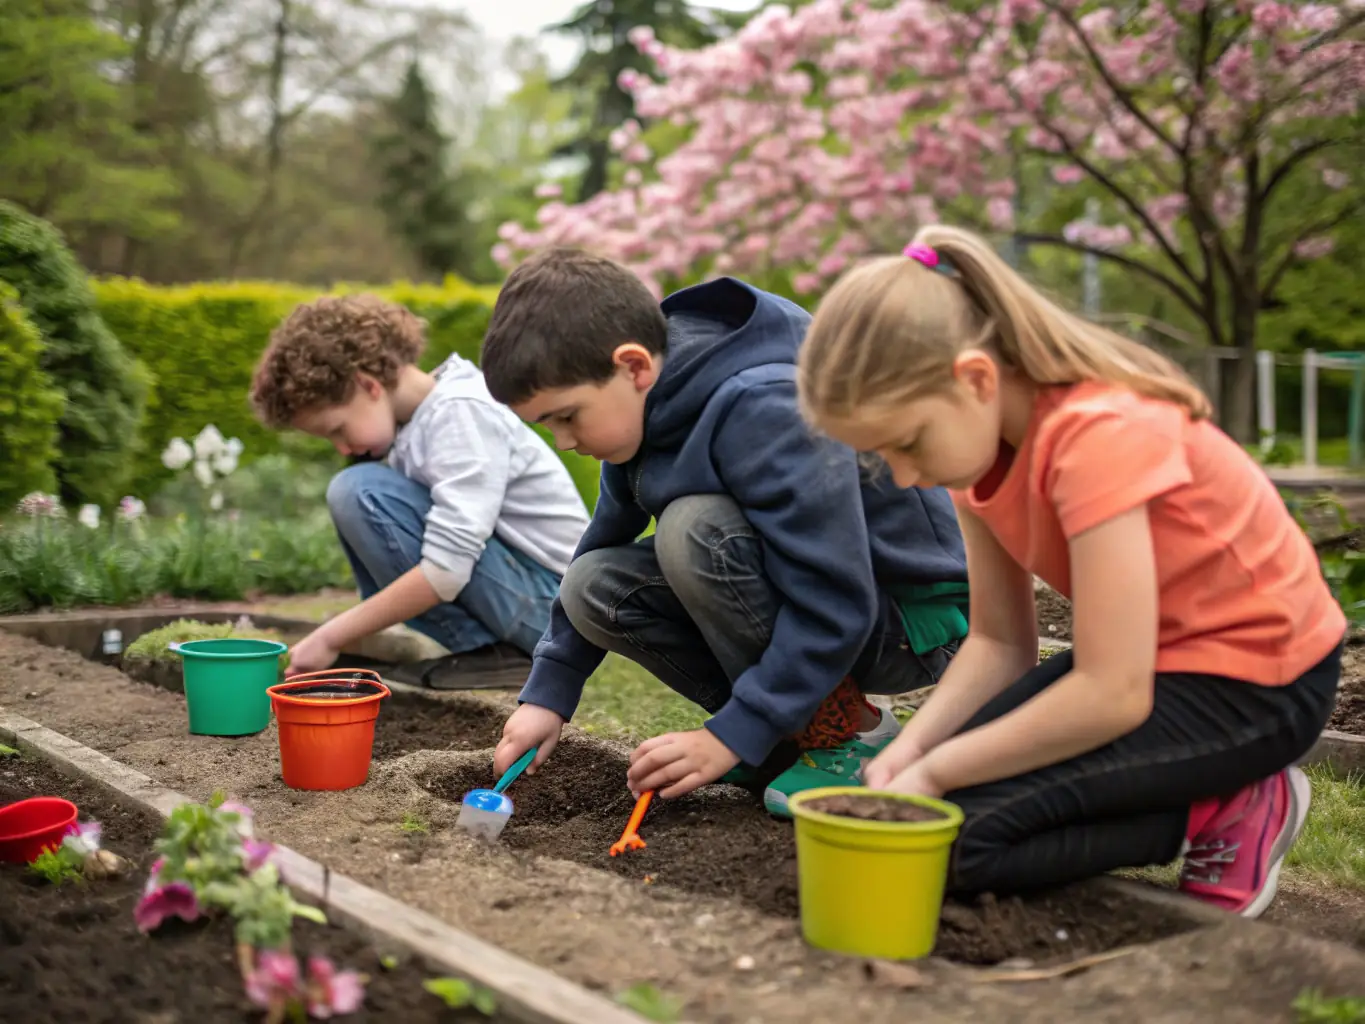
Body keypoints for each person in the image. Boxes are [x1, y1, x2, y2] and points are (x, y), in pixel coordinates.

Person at [796, 228, 1345, 916]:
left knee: (951, 846)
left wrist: (934, 771)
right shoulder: (977, 455)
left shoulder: (1097, 435)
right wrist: (905, 756)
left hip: (1260, 683)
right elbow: (999, 644)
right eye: (882, 457)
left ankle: (1223, 804)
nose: (905, 475)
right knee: (924, 809)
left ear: (975, 378)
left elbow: (1110, 693)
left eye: (907, 443)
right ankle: (1190, 790)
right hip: (1154, 667)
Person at [481, 248, 970, 815]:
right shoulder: (639, 412)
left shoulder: (764, 404)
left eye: (568, 416)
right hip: (822, 612)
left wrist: (730, 735)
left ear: (634, 367)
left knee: (696, 531)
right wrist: (550, 692)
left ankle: (846, 736)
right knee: (594, 583)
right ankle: (779, 735)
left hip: (903, 621)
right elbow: (603, 542)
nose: (565, 440)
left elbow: (837, 599)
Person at [248, 293, 591, 685]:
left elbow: (447, 570)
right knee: (361, 491)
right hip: (525, 597)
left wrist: (332, 635)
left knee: (359, 491)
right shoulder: (416, 428)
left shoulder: (460, 412)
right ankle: (482, 652)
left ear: (368, 385)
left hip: (553, 610)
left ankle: (493, 652)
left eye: (337, 430)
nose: (342, 448)